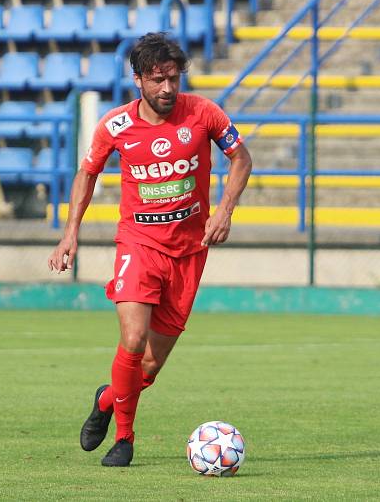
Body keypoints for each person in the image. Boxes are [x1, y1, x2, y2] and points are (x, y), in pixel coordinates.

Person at [47, 32, 252, 467]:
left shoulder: (203, 113)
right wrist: (70, 233)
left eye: (173, 79)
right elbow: (87, 174)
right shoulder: (116, 126)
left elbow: (242, 158)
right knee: (134, 338)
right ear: (137, 79)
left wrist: (226, 211)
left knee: (151, 367)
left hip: (190, 251)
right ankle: (124, 438)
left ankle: (106, 400)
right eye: (157, 80)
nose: (167, 89)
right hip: (138, 244)